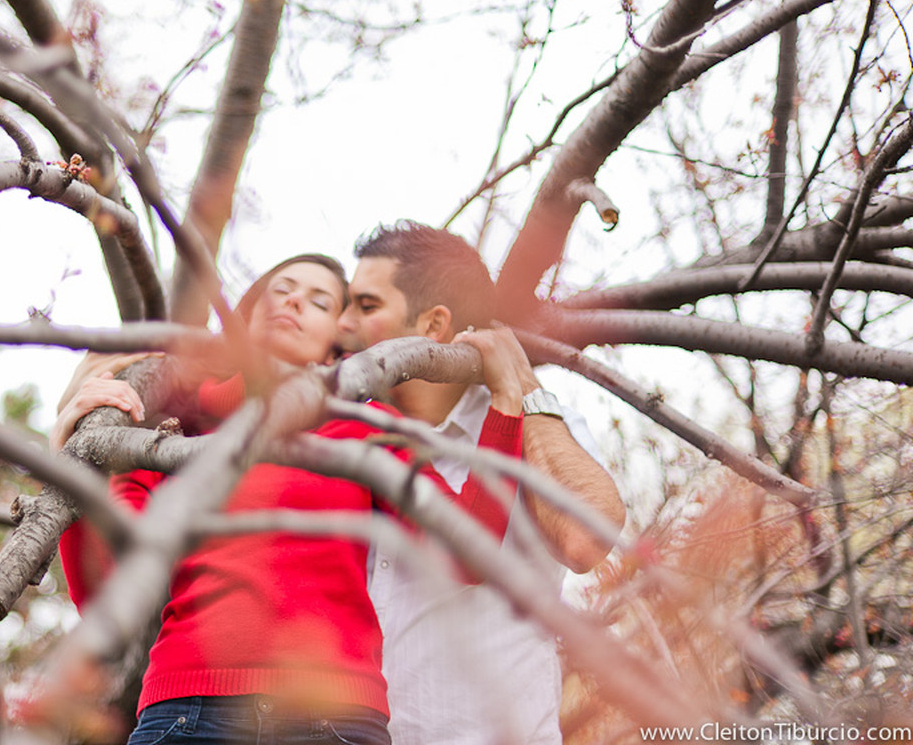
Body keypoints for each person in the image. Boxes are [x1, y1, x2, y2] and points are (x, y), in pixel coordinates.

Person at [53, 253, 531, 745]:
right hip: (186, 713)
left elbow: (465, 553)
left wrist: (507, 400)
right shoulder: (171, 437)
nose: (295, 300)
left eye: (319, 300)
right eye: (280, 290)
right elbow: (106, 591)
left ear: (336, 343)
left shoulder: (369, 429)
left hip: (336, 721)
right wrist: (73, 450)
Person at [336, 221, 626, 745]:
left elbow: (585, 542)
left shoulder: (540, 428)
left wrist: (523, 389)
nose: (341, 322)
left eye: (366, 305)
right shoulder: (343, 435)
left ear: (433, 325)